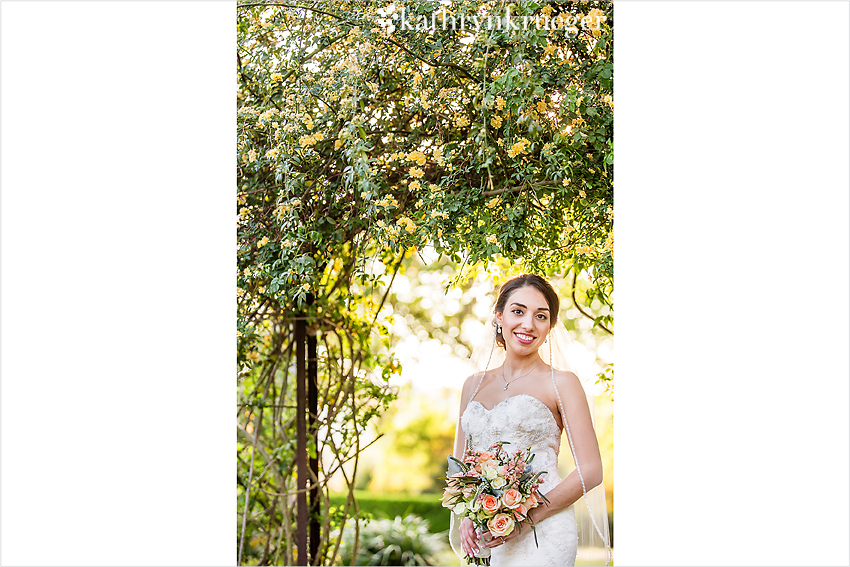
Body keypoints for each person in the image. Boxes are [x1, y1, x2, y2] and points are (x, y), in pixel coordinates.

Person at [449, 274, 612, 566]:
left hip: (544, 531)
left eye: (541, 316)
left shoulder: (562, 383)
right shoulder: (472, 385)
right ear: (499, 316)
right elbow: (460, 467)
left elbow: (591, 470)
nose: (528, 324)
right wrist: (468, 514)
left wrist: (527, 519)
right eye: (518, 311)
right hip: (485, 533)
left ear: (550, 327)